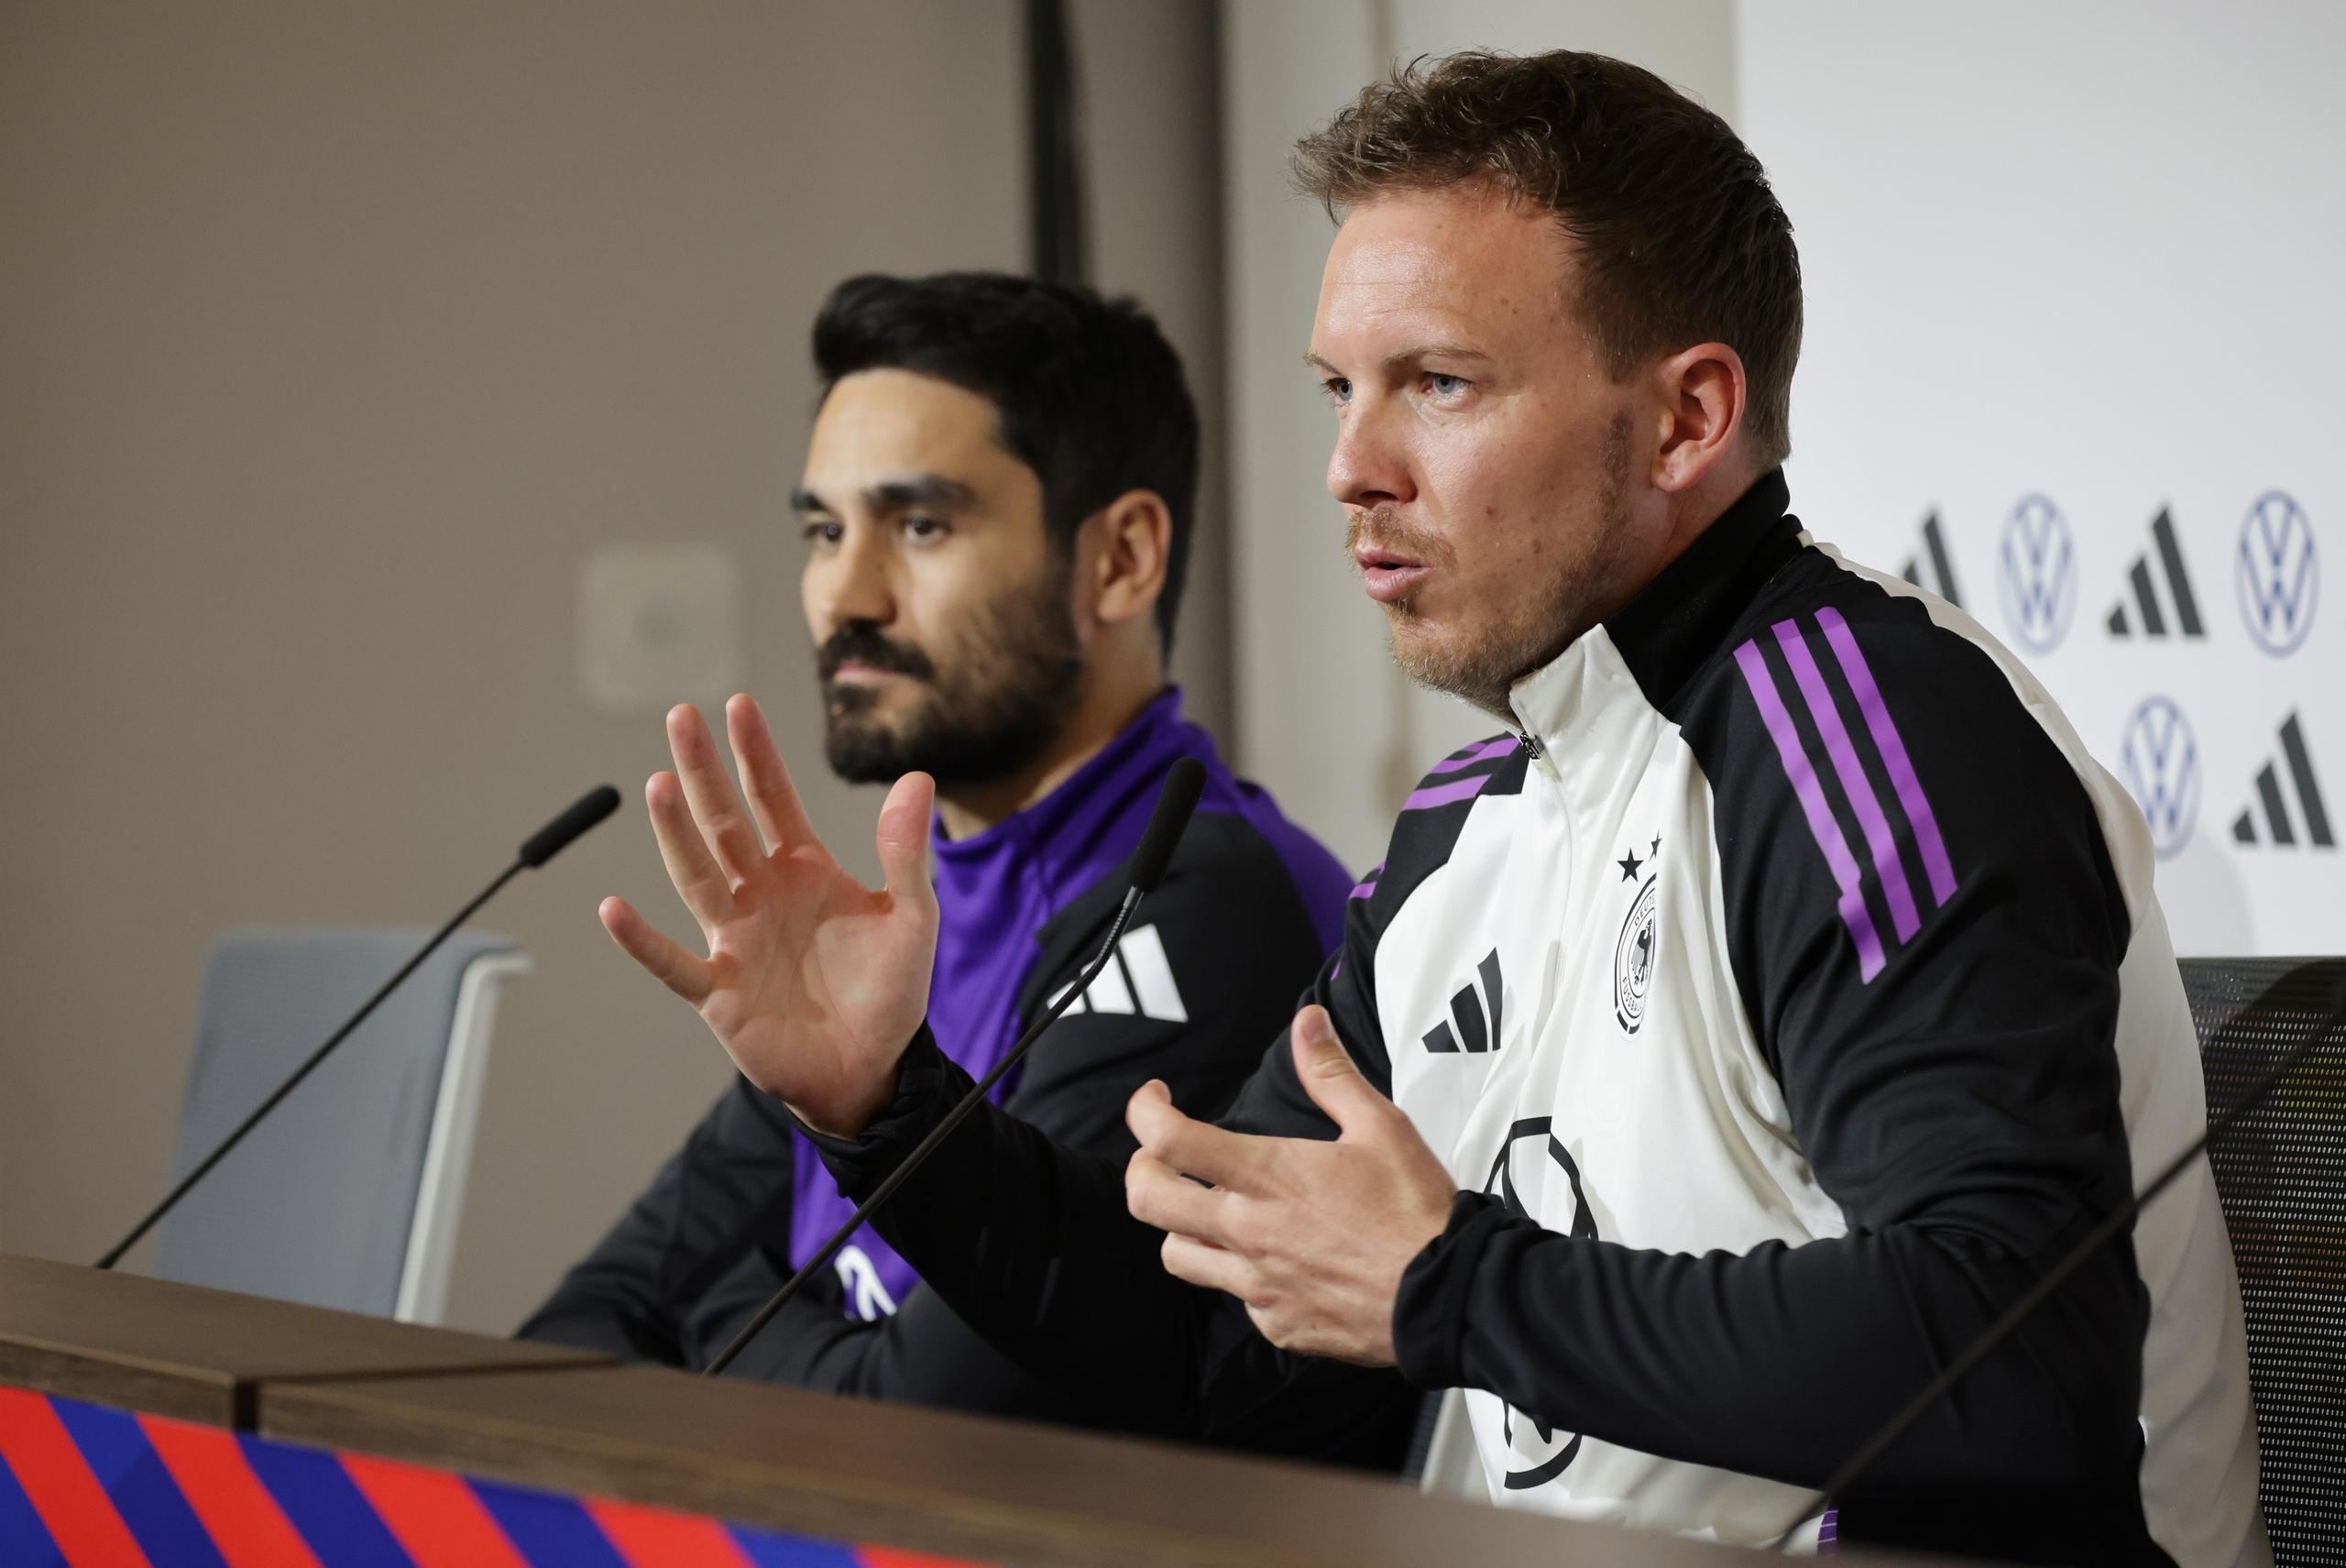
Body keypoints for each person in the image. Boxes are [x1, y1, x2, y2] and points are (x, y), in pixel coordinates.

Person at [599, 54, 2265, 1566]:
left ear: (1688, 416)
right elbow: (1206, 1346)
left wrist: (1450, 1287)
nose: (1352, 466)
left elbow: (2017, 1362)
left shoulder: (1870, 733)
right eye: (1339, 389)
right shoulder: (1473, 819)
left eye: (1441, 385)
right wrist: (893, 1111)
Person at [522, 272, 1354, 1432]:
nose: (844, 594)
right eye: (823, 530)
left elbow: (941, 1435)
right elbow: (582, 1333)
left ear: (1119, 559)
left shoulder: (1195, 906)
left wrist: (718, 1318)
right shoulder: (896, 922)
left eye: (920, 525)